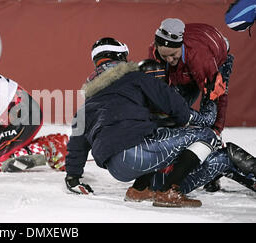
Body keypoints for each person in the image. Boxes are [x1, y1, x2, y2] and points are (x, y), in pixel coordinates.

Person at [64, 37, 220, 207]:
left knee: (150, 132)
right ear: (121, 57)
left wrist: (73, 177)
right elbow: (172, 103)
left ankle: (140, 190)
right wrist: (202, 117)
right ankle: (169, 192)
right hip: (136, 153)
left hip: (116, 169)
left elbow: (77, 143)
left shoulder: (87, 103)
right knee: (208, 136)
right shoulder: (135, 78)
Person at [137, 59, 256, 196]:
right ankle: (221, 177)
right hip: (168, 182)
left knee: (201, 143)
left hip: (147, 179)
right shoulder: (167, 104)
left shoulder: (135, 103)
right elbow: (207, 120)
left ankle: (214, 180)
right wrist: (211, 94)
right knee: (223, 152)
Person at [148, 18, 234, 192]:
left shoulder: (201, 57)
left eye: (174, 55)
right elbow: (162, 93)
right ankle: (170, 162)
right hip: (185, 70)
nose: (170, 59)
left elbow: (220, 96)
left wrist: (217, 128)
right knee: (169, 114)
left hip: (214, 59)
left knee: (209, 122)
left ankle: (213, 173)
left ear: (181, 48)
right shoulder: (156, 53)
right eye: (165, 56)